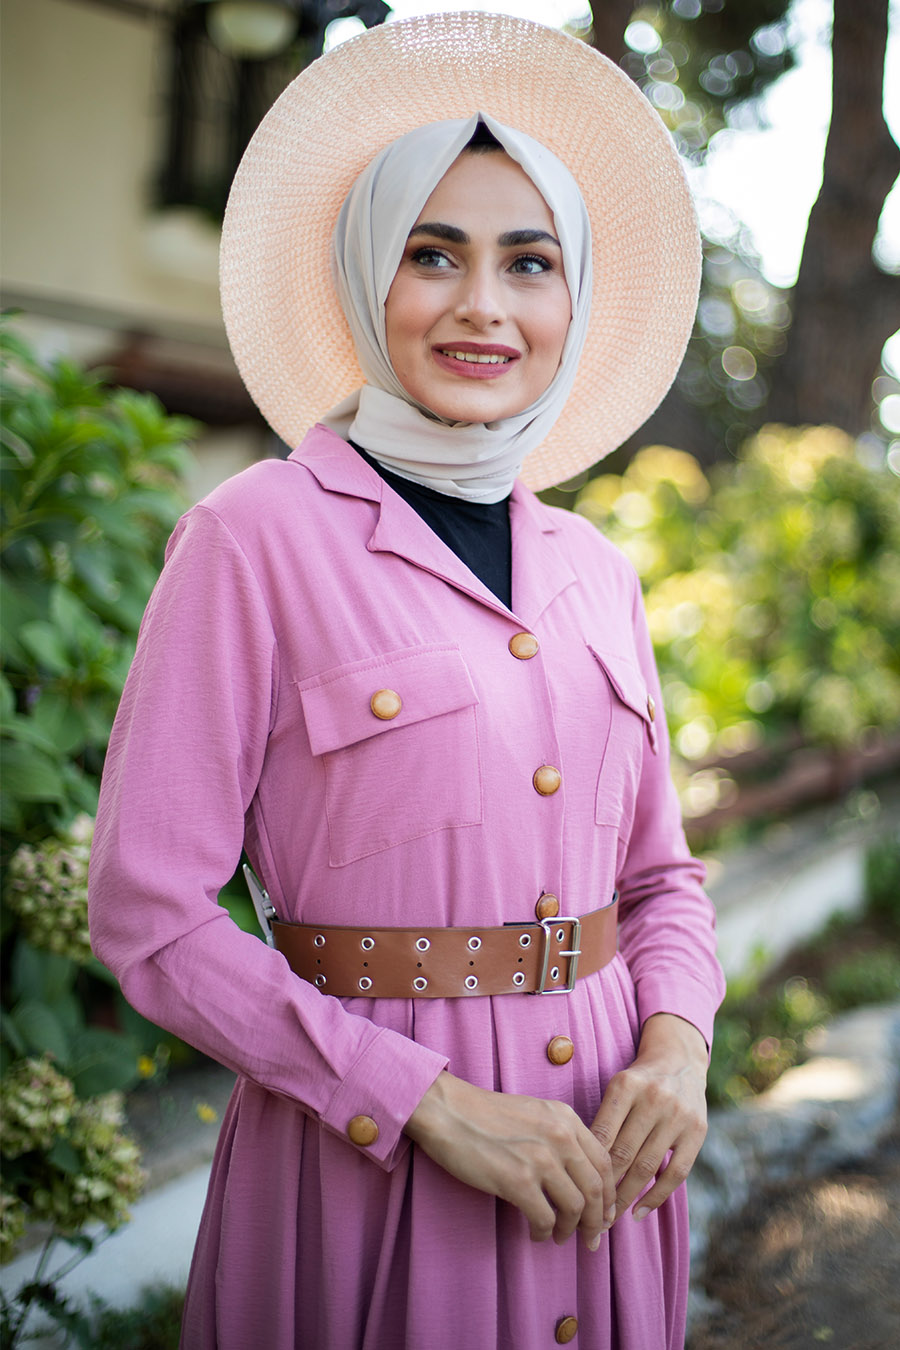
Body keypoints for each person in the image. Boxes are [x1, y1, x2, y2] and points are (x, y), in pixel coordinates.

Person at [89, 13, 726, 1349]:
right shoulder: (253, 537)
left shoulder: (596, 568)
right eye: (433, 254)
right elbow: (150, 912)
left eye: (529, 262)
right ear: (370, 275)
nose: (483, 304)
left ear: (575, 298)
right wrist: (426, 1097)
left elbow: (661, 880)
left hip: (606, 1184)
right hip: (371, 1179)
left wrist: (677, 1042)